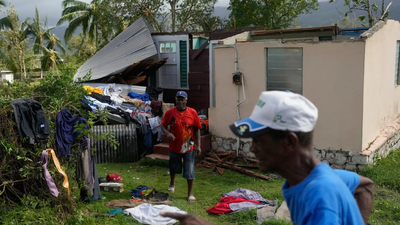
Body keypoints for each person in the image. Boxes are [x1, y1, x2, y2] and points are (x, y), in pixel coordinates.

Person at [162, 91, 374, 224]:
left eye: (259, 140)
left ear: (289, 143)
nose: (252, 148)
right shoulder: (320, 177)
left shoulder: (319, 198)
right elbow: (365, 186)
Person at [160, 91, 202, 202]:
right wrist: (168, 133)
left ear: (186, 100)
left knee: (189, 169)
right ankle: (172, 183)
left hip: (188, 146)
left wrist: (198, 146)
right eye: (178, 99)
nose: (180, 102)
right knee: (173, 167)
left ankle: (190, 193)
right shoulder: (170, 113)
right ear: (176, 100)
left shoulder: (192, 112)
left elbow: (197, 129)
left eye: (182, 99)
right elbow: (163, 125)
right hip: (174, 146)